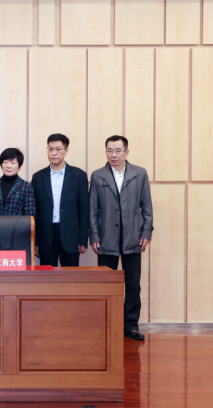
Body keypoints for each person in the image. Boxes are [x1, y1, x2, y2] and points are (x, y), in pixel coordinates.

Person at [90, 135, 153, 341]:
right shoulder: (98, 176)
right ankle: (106, 324)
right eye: (110, 150)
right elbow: (92, 210)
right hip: (106, 238)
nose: (114, 155)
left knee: (133, 285)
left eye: (118, 150)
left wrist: (146, 233)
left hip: (133, 238)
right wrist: (94, 235)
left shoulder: (139, 174)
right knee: (105, 285)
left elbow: (147, 207)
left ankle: (130, 326)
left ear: (126, 152)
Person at [32, 134, 90, 267]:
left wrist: (82, 239)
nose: (54, 153)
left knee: (71, 277)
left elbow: (84, 210)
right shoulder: (38, 177)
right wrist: (35, 241)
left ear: (66, 150)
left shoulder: (79, 175)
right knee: (47, 277)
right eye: (50, 149)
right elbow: (35, 212)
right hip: (46, 236)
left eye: (58, 149)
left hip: (71, 236)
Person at [0, 147, 36, 217]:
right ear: (1, 165)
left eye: (13, 163)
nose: (8, 166)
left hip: (18, 224)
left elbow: (29, 214)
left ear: (19, 166)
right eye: (5, 162)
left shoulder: (26, 187)